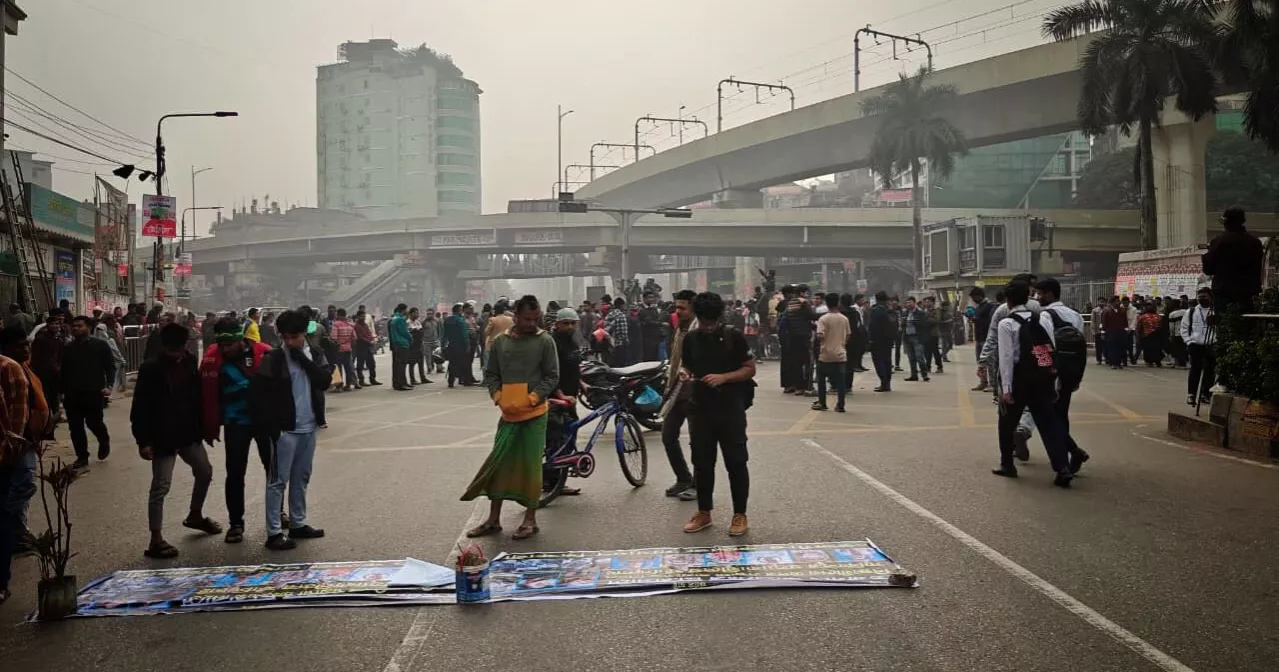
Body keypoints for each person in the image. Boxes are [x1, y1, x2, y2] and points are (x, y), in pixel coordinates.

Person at [463, 295, 559, 541]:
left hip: (535, 414)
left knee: (531, 467)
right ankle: (493, 520)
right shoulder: (501, 342)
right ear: (515, 316)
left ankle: (530, 520)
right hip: (508, 415)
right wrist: (498, 396)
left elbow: (552, 376)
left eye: (535, 319)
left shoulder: (545, 340)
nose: (532, 324)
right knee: (500, 464)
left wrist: (533, 398)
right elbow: (492, 374)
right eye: (527, 319)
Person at [131, 323, 221, 559]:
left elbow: (197, 396)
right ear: (164, 346)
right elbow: (140, 406)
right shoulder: (151, 368)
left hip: (188, 432)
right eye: (172, 350)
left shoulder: (189, 361)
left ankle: (195, 515)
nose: (176, 354)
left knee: (205, 471)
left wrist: (204, 427)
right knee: (161, 486)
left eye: (179, 349)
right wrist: (143, 441)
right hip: (162, 436)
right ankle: (155, 539)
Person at [251, 309, 330, 551]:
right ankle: (274, 531)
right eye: (284, 337)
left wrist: (303, 359)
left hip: (309, 426)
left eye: (294, 337)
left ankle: (298, 523)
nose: (289, 341)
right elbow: (259, 393)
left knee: (301, 477)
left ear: (304, 333)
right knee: (277, 481)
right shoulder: (273, 358)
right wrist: (272, 427)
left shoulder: (314, 354)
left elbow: (325, 381)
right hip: (284, 430)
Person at [679, 292, 756, 537]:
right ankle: (704, 512)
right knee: (702, 463)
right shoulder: (691, 338)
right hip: (700, 409)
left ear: (719, 317)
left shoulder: (734, 337)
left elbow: (749, 369)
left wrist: (724, 378)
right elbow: (686, 364)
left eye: (711, 322)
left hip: (730, 409)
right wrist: (684, 372)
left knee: (736, 462)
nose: (708, 327)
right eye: (704, 322)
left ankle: (740, 514)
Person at [991, 281, 1074, 488]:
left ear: (1008, 301)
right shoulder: (1041, 319)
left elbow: (1006, 359)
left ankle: (1007, 465)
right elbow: (1049, 351)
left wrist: (1006, 389)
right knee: (1049, 425)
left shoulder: (1007, 324)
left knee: (1007, 424)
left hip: (1019, 380)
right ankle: (1062, 468)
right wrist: (1053, 382)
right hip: (1042, 379)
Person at [200, 317, 273, 544]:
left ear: (240, 339)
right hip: (235, 424)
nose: (225, 349)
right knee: (234, 474)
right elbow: (204, 394)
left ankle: (277, 514)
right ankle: (236, 524)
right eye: (222, 345)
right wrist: (209, 425)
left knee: (273, 471)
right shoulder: (212, 359)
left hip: (265, 422)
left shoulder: (265, 352)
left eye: (229, 345)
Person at [0, 324, 48, 606]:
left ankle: (15, 528)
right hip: (15, 446)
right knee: (21, 487)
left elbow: (23, 413)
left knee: (22, 486)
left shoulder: (19, 368)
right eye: (19, 345)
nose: (25, 349)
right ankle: (14, 527)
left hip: (19, 444)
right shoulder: (12, 368)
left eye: (26, 344)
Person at [1033, 278, 1090, 475]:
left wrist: (1044, 375)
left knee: (1049, 418)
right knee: (1061, 414)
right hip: (1071, 372)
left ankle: (1070, 455)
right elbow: (1079, 347)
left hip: (1052, 373)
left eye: (1039, 293)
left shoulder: (1045, 316)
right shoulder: (1075, 315)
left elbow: (1045, 347)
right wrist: (1077, 377)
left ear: (1049, 293)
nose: (1037, 297)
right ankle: (1070, 454)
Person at [62, 315, 116, 470]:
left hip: (93, 391)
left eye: (80, 326)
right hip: (72, 393)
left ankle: (103, 440)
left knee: (94, 422)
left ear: (89, 327)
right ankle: (82, 456)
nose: (76, 328)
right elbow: (64, 371)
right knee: (75, 426)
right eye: (74, 326)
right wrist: (61, 391)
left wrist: (109, 385)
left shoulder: (100, 345)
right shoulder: (68, 347)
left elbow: (110, 366)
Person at [662, 290, 699, 502]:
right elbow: (674, 360)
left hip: (696, 393)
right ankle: (683, 478)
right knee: (668, 436)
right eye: (676, 307)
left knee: (697, 441)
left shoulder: (700, 330)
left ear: (693, 308)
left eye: (682, 308)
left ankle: (698, 485)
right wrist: (668, 387)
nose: (678, 311)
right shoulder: (680, 328)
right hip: (677, 391)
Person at [546, 307, 583, 497]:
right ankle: (552, 482)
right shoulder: (553, 343)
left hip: (570, 397)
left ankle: (559, 481)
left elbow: (573, 367)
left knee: (570, 434)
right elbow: (550, 372)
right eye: (566, 323)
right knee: (557, 439)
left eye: (572, 323)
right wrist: (560, 395)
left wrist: (583, 384)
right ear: (557, 324)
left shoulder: (573, 342)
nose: (569, 327)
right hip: (556, 399)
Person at [1202, 206, 1265, 316]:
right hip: (1248, 294)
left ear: (1226, 223)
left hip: (1224, 294)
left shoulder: (1218, 241)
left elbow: (1208, 269)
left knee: (1224, 324)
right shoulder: (1255, 242)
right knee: (1247, 324)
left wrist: (1206, 256)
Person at [29, 312, 67, 433]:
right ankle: (48, 418)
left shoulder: (59, 338)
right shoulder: (41, 338)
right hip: (44, 371)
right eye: (53, 324)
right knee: (46, 395)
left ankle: (55, 415)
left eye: (57, 324)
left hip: (55, 371)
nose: (56, 326)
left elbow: (60, 355)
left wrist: (59, 367)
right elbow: (36, 355)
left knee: (55, 394)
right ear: (48, 325)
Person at [813, 292, 850, 412]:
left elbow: (820, 335)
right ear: (838, 303)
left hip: (825, 354)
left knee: (821, 380)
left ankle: (822, 403)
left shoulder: (823, 319)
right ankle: (840, 405)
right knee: (841, 381)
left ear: (826, 303)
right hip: (840, 354)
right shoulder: (844, 319)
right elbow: (848, 335)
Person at [1181, 287, 1215, 406]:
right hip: (1195, 345)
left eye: (1204, 297)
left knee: (1210, 371)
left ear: (1210, 297)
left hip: (1211, 345)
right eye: (1199, 297)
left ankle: (1206, 394)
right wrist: (1189, 342)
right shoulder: (1191, 312)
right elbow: (1184, 328)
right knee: (1195, 370)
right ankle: (1191, 394)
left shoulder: (1215, 311)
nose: (1202, 299)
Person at [970, 288, 997, 391]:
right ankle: (983, 381)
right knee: (980, 361)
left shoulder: (989, 306)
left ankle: (992, 383)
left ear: (979, 296)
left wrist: (977, 320)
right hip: (979, 337)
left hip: (986, 337)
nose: (973, 300)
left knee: (989, 361)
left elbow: (990, 321)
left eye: (974, 297)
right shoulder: (979, 307)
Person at [868, 291, 895, 392]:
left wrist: (870, 339)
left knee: (878, 361)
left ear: (876, 299)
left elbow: (872, 326)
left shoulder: (875, 310)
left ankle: (883, 382)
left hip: (877, 339)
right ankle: (887, 383)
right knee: (887, 360)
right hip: (888, 339)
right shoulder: (889, 309)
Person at [900, 297, 932, 382]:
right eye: (907, 303)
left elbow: (925, 324)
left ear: (914, 303)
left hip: (917, 337)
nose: (908, 304)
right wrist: (903, 324)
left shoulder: (920, 313)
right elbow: (902, 324)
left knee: (919, 356)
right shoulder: (905, 313)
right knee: (911, 358)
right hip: (907, 337)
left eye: (910, 302)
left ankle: (924, 375)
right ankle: (914, 375)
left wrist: (913, 322)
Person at [442, 303, 473, 388]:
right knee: (465, 363)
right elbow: (464, 334)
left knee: (452, 363)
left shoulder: (447, 320)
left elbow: (444, 334)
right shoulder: (460, 320)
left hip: (451, 344)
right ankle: (466, 381)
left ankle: (450, 381)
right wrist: (468, 344)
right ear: (459, 311)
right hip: (461, 345)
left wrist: (443, 344)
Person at [329, 308, 358, 391]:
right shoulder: (350, 324)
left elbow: (334, 338)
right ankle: (348, 385)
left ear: (338, 315)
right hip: (348, 349)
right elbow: (354, 338)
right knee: (348, 368)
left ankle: (339, 386)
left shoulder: (336, 324)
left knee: (338, 368)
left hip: (339, 349)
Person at [388, 303, 412, 391]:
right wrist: (410, 338)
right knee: (402, 365)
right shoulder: (400, 320)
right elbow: (404, 332)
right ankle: (402, 383)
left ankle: (397, 383)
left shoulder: (393, 319)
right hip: (402, 343)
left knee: (397, 364)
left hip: (396, 344)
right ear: (404, 310)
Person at [352, 309, 381, 386]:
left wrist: (373, 338)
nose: (363, 318)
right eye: (362, 316)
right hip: (360, 347)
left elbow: (369, 334)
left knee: (371, 363)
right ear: (358, 317)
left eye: (364, 316)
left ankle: (373, 379)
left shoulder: (365, 325)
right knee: (360, 365)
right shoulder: (356, 326)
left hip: (368, 346)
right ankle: (361, 380)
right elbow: (359, 337)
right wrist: (369, 340)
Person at [1101, 296, 1129, 369]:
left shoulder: (1122, 310)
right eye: (1116, 301)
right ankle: (1113, 363)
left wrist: (1126, 329)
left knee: (1120, 347)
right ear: (1112, 303)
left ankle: (1119, 363)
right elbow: (1104, 323)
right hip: (1111, 332)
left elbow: (1125, 321)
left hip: (1121, 332)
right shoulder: (1107, 311)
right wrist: (1103, 333)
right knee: (1112, 348)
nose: (1118, 302)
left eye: (1119, 301)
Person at [407, 307, 432, 386]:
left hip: (419, 344)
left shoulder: (417, 322)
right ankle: (412, 379)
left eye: (418, 313)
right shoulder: (407, 322)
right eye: (416, 313)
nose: (417, 315)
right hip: (412, 346)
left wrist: (417, 332)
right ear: (411, 313)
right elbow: (411, 333)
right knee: (412, 362)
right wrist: (416, 332)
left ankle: (423, 378)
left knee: (421, 361)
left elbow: (421, 331)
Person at [638, 292, 665, 362]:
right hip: (647, 338)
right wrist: (660, 323)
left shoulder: (654, 309)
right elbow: (648, 322)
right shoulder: (641, 310)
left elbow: (657, 319)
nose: (651, 299)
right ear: (644, 299)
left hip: (656, 337)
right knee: (648, 357)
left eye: (652, 297)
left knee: (655, 357)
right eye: (649, 297)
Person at [604, 297, 631, 367]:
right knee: (621, 364)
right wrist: (626, 341)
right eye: (624, 305)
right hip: (620, 344)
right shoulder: (621, 315)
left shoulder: (609, 314)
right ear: (621, 305)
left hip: (610, 343)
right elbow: (624, 332)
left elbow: (605, 328)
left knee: (613, 364)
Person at [923, 296, 944, 374]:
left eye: (928, 301)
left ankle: (939, 366)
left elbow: (937, 320)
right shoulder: (924, 310)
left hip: (933, 334)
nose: (926, 303)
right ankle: (927, 367)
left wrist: (926, 317)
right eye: (926, 301)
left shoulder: (936, 311)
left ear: (933, 302)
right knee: (926, 351)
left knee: (935, 351)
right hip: (925, 334)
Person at [421, 308, 441, 375]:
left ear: (433, 314)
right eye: (428, 314)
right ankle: (429, 368)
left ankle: (439, 368)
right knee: (428, 356)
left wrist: (439, 339)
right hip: (426, 342)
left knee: (437, 355)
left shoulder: (437, 321)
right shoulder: (423, 322)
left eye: (430, 314)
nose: (429, 315)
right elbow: (421, 331)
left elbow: (439, 330)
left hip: (435, 341)